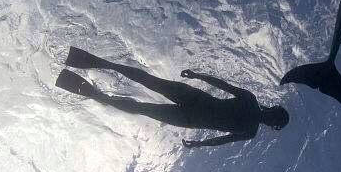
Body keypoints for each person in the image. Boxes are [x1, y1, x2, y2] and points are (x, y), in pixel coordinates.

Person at [55, 46, 289, 148]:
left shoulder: (250, 104)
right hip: (191, 114)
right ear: (272, 124)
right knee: (142, 104)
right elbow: (222, 139)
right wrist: (199, 144)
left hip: (193, 104)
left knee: (146, 85)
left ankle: (95, 67)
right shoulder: (249, 128)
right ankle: (94, 89)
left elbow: (222, 85)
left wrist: (198, 76)